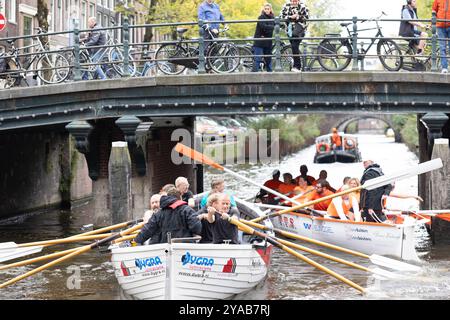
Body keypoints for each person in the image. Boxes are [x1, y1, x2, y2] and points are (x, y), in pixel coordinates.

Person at [134, 185, 202, 245]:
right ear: (180, 198)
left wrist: (136, 240)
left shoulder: (158, 214)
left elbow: (147, 230)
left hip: (165, 249)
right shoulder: (187, 210)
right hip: (184, 248)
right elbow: (197, 228)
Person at [280, 0, 309, 72]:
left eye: (295, 1)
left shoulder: (303, 7)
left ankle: (297, 66)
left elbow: (306, 17)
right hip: (289, 30)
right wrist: (291, 17)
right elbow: (281, 16)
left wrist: (297, 17)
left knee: (294, 46)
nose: (294, 2)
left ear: (298, 1)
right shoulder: (286, 6)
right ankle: (296, 66)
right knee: (293, 46)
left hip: (300, 30)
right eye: (292, 1)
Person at [252, 3, 275, 72]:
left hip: (268, 41)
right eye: (265, 9)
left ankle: (270, 74)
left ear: (270, 10)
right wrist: (273, 27)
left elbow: (268, 28)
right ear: (263, 10)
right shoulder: (261, 17)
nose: (267, 10)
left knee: (268, 59)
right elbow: (264, 27)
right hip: (260, 41)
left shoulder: (273, 18)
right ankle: (254, 74)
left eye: (268, 9)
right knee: (258, 59)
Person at [432, 0, 450, 73]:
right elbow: (434, 10)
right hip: (440, 27)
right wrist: (434, 22)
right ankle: (444, 68)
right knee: (442, 47)